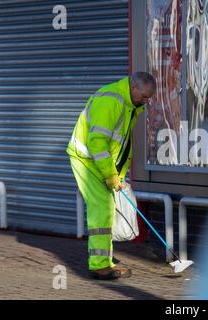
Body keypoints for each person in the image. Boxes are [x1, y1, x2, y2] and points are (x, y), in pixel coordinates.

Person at [66, 72, 156, 280]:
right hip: (86, 158)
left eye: (149, 98)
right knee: (102, 207)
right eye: (144, 96)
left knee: (104, 208)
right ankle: (100, 265)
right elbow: (97, 142)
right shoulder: (111, 101)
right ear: (133, 88)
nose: (146, 101)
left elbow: (118, 145)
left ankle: (103, 260)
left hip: (97, 159)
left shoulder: (129, 103)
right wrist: (109, 174)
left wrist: (118, 175)